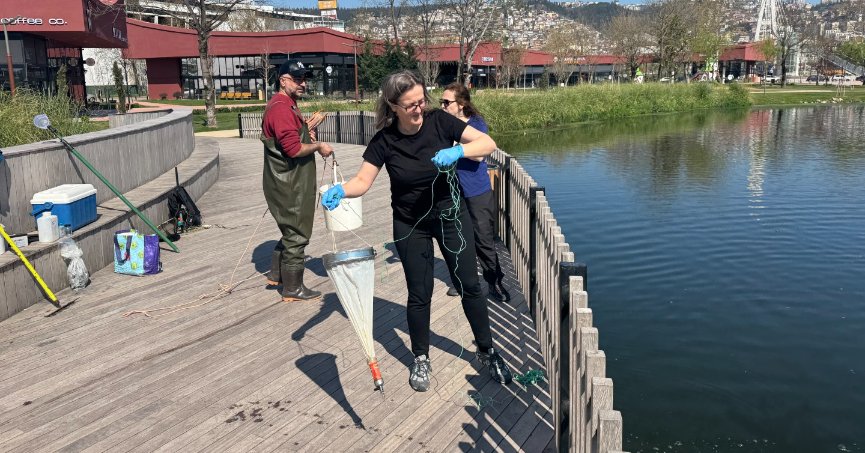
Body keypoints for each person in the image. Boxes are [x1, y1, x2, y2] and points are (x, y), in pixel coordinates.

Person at [320, 71, 512, 392]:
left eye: (422, 101)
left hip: (451, 214)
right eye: (410, 105)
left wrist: (458, 151)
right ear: (393, 106)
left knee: (470, 286)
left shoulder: (440, 122)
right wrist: (341, 190)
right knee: (419, 293)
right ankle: (420, 356)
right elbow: (362, 181)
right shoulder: (384, 141)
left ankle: (487, 349)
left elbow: (487, 143)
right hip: (411, 224)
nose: (419, 109)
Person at [261, 59, 333, 302]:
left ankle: (276, 274)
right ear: (283, 81)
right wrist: (318, 146)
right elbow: (292, 149)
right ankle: (292, 288)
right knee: (297, 233)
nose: (303, 83)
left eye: (305, 78)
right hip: (289, 182)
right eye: (297, 78)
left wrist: (307, 132)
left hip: (288, 180)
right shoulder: (281, 108)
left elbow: (290, 139)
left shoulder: (286, 104)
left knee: (291, 229)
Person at [439, 82, 511, 303]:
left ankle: (493, 281)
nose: (442, 106)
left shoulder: (476, 124)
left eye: (446, 102)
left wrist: (456, 149)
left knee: (483, 240)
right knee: (458, 239)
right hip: (452, 192)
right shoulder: (444, 123)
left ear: (460, 104)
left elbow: (479, 156)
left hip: (476, 192)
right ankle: (462, 282)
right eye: (441, 102)